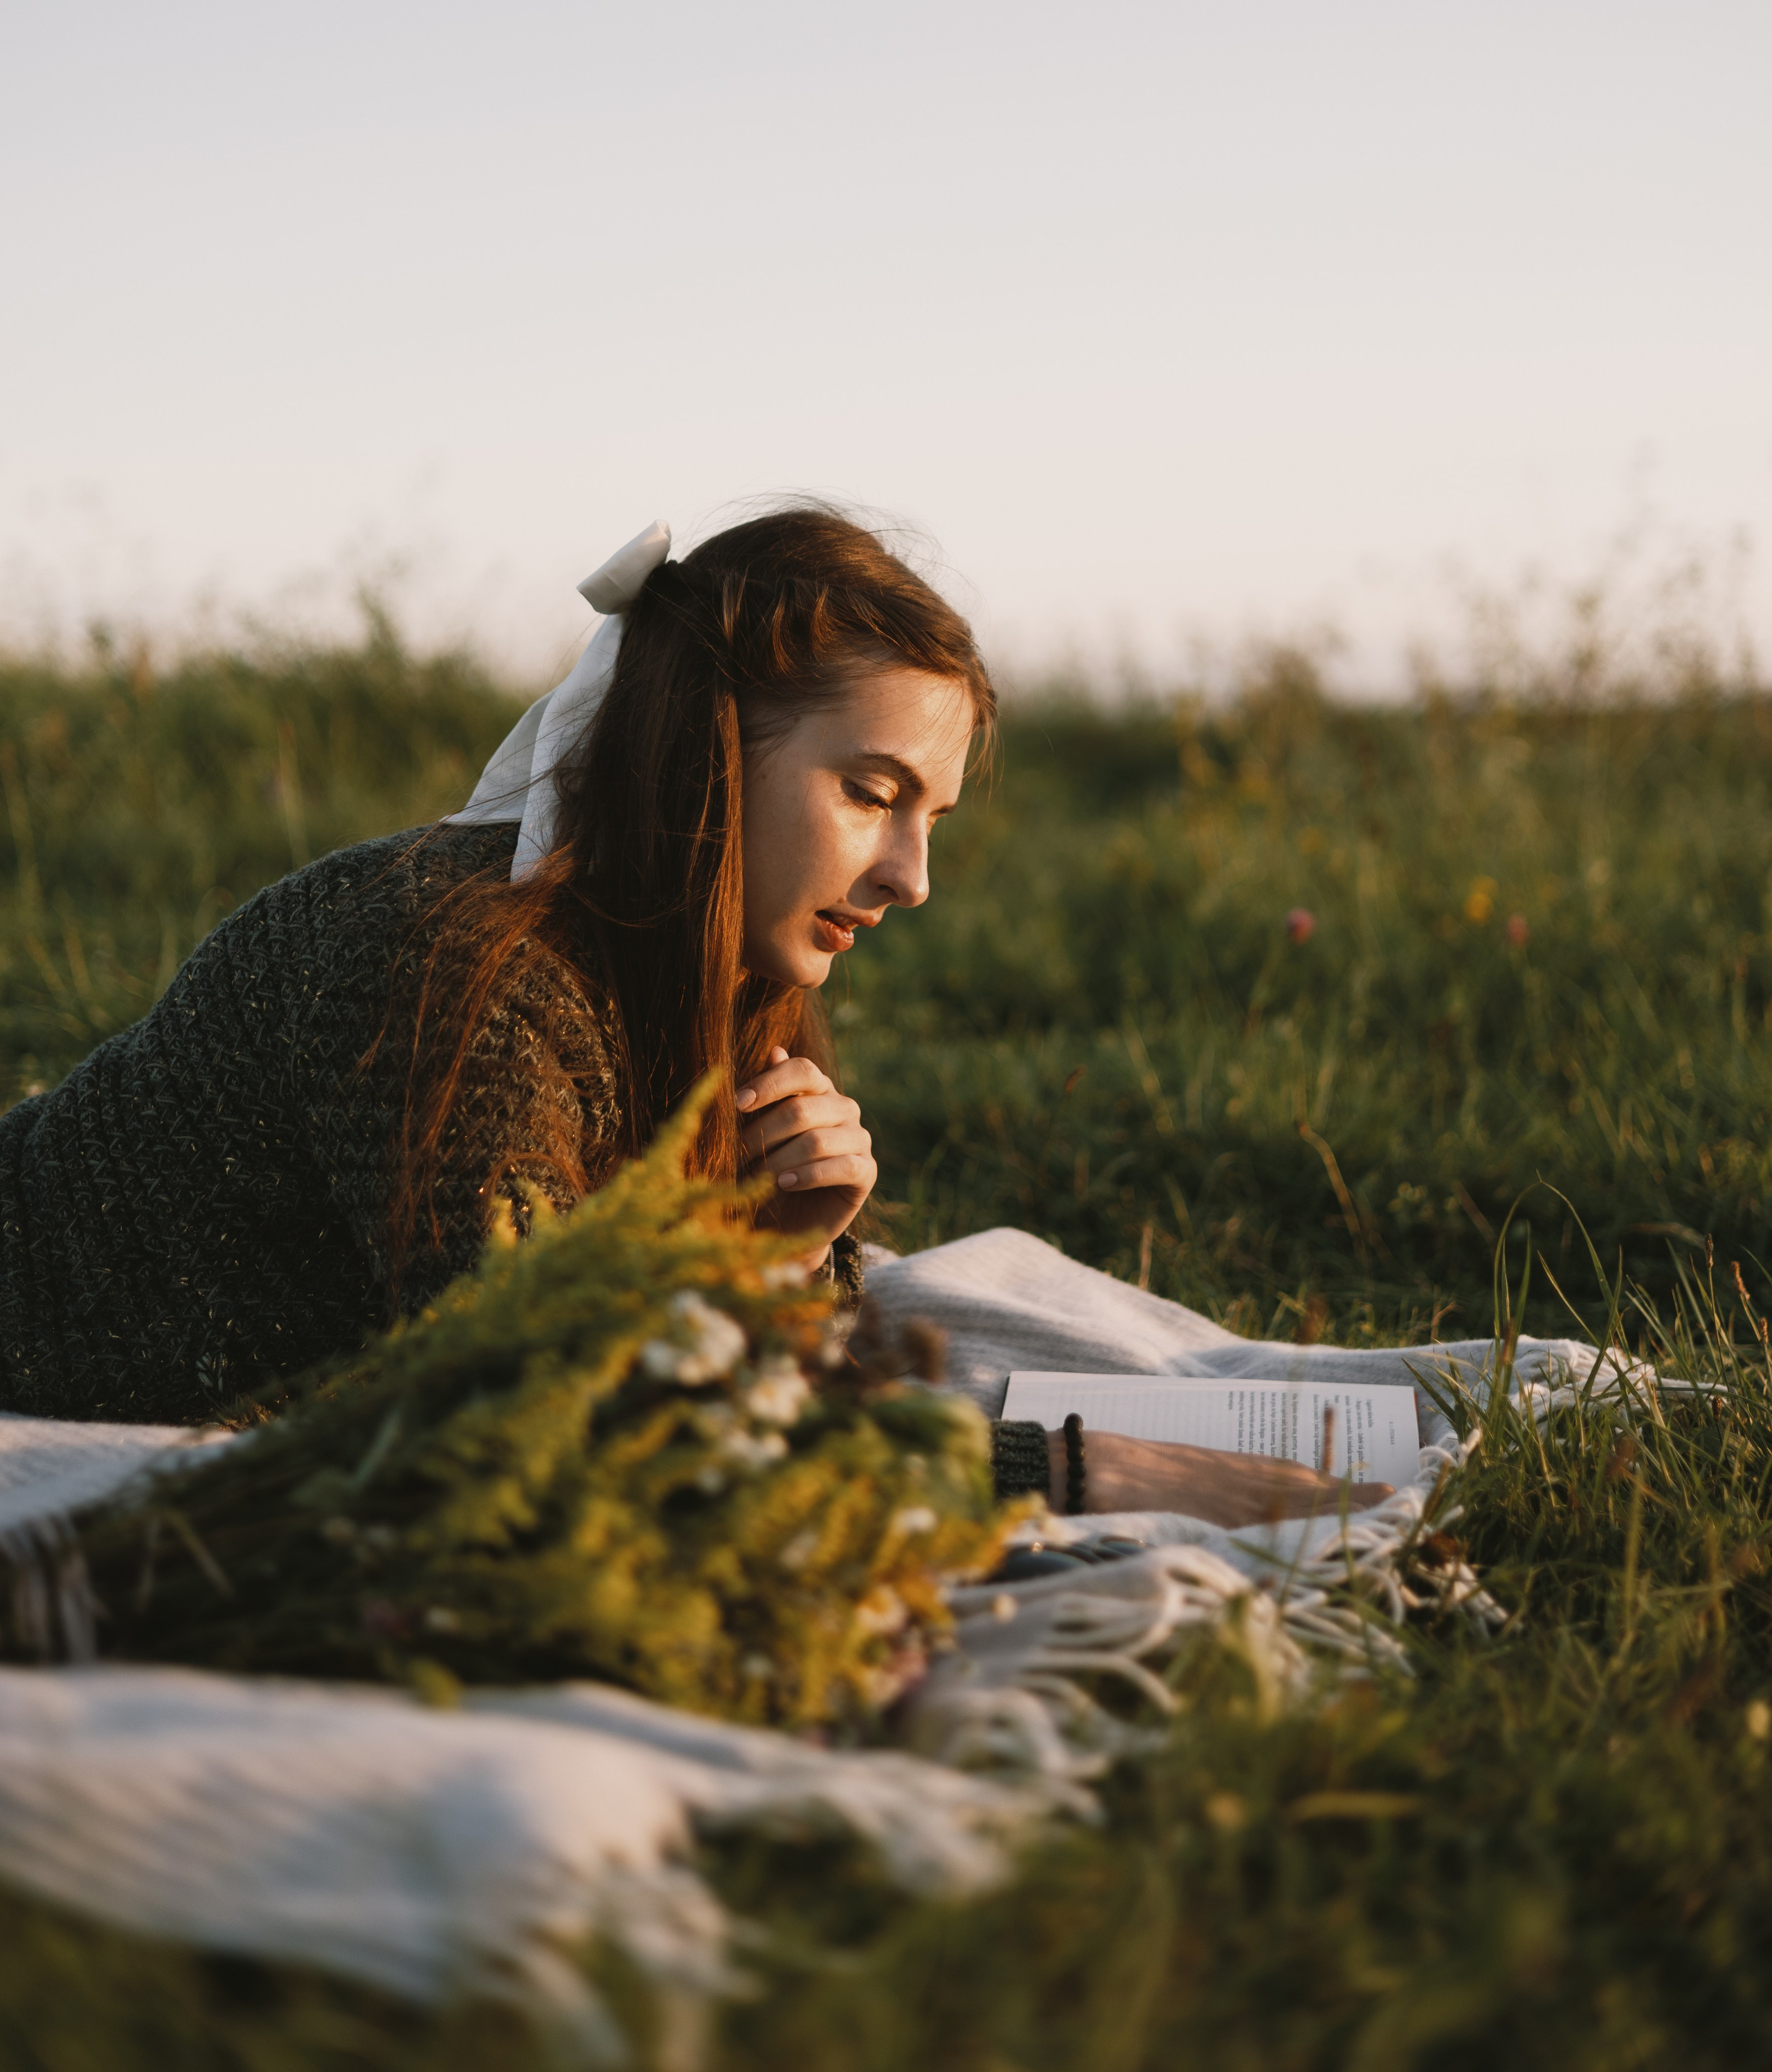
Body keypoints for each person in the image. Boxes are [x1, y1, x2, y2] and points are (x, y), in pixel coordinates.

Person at [0, 507, 1388, 1525]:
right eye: (869, 793)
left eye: (932, 816)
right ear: (703, 752)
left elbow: (686, 1361)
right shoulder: (444, 964)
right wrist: (1090, 1475)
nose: (911, 880)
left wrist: (776, 1253)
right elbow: (551, 1409)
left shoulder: (698, 965)